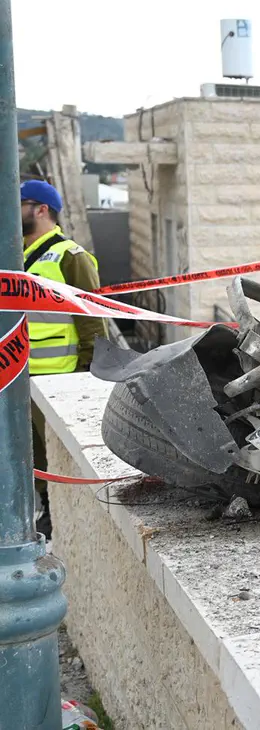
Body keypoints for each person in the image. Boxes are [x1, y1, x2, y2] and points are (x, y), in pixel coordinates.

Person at [21, 179, 106, 537]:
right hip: (19, 375)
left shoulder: (70, 256)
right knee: (33, 451)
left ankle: (63, 512)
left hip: (59, 377)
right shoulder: (17, 256)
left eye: (20, 204)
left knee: (60, 452)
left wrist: (88, 369)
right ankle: (46, 506)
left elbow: (91, 318)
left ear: (41, 209)